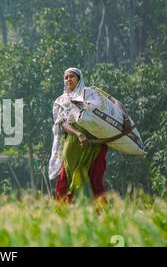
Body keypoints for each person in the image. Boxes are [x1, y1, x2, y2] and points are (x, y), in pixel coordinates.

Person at [48, 67, 132, 203]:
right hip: (75, 143)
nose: (68, 79)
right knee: (66, 180)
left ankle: (101, 215)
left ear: (79, 79)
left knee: (95, 179)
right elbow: (62, 123)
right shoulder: (60, 101)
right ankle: (64, 214)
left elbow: (116, 103)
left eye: (72, 76)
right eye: (66, 77)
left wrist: (126, 119)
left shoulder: (92, 93)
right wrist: (78, 134)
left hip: (96, 143)